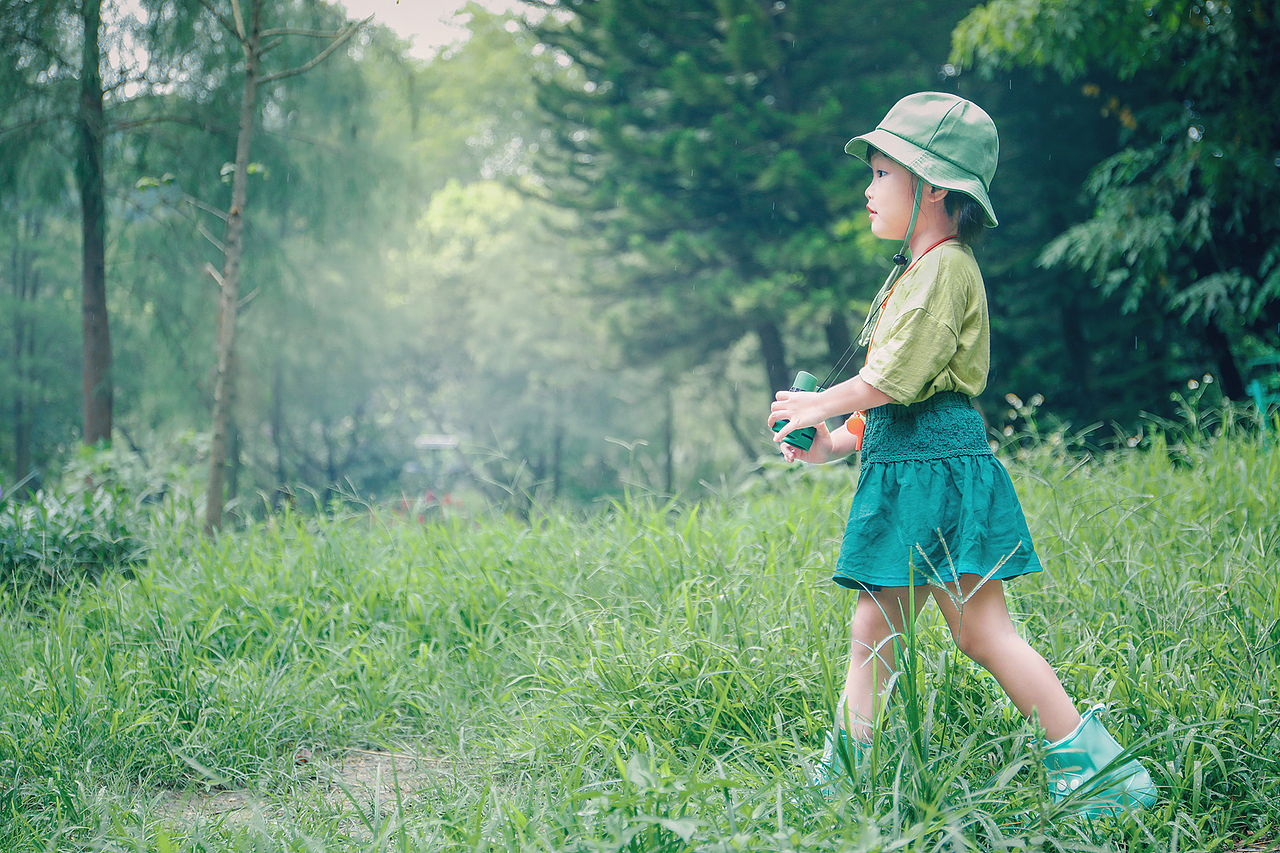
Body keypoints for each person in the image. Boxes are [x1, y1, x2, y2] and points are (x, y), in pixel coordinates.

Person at [767, 92, 1156, 815]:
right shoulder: (912, 274)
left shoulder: (948, 269)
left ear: (935, 186)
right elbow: (888, 406)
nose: (867, 188)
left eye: (882, 173)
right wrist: (831, 440)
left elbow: (896, 380)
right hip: (908, 469)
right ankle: (848, 773)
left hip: (937, 477)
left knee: (978, 632)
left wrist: (821, 401)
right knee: (875, 632)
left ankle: (1095, 766)